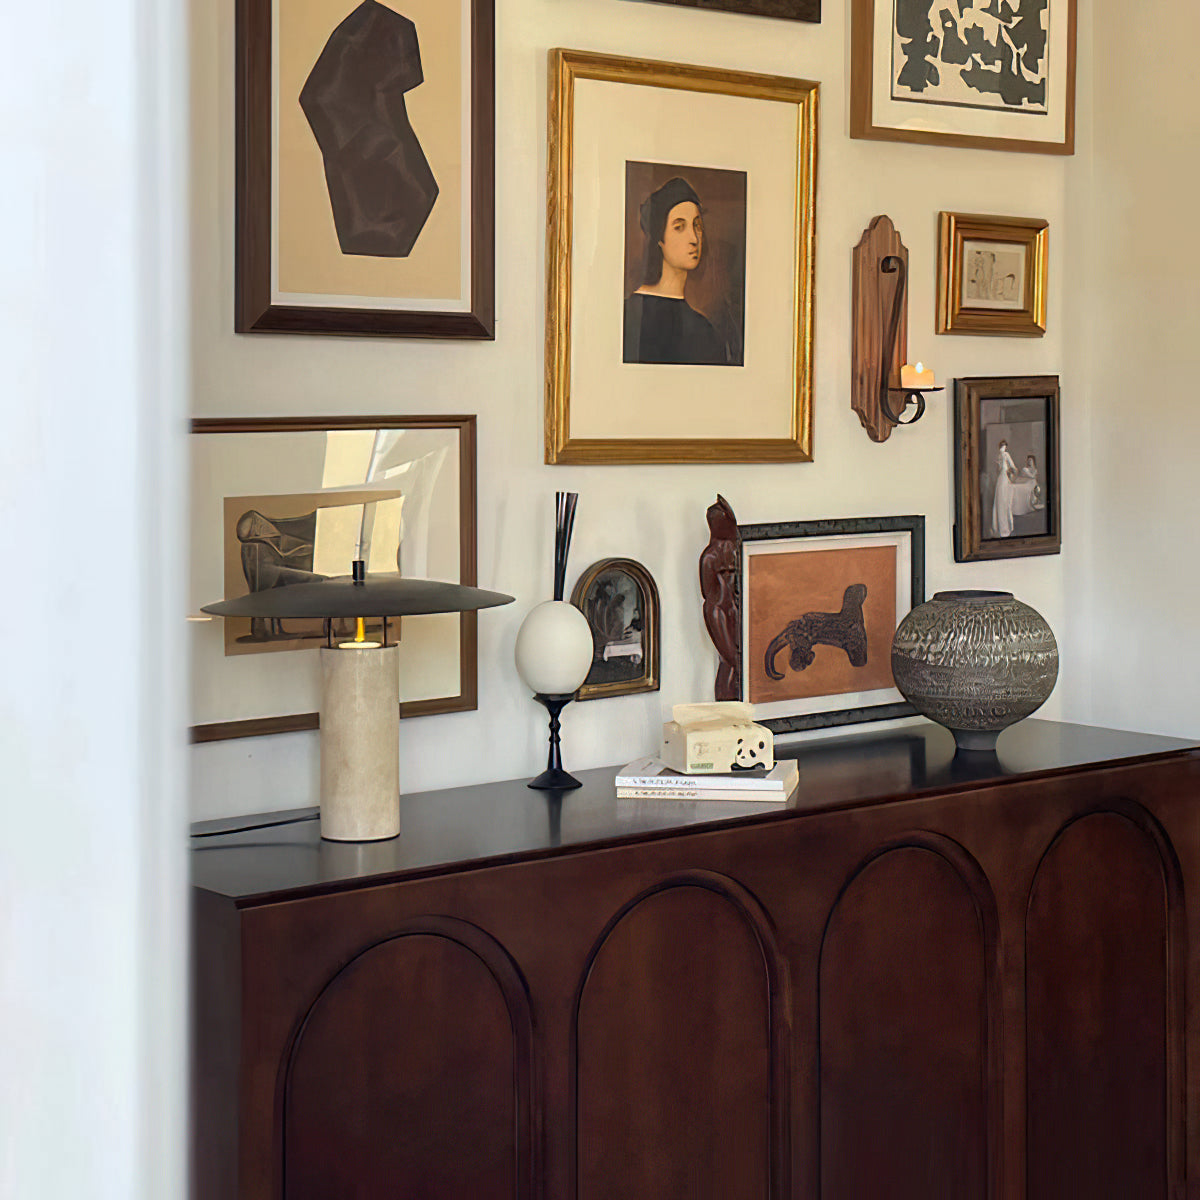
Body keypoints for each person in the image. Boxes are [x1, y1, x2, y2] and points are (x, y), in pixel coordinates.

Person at [623, 177, 727, 365]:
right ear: (659, 238)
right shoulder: (628, 317)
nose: (694, 239)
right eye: (679, 227)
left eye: (697, 226)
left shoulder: (706, 332)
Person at [991, 439, 1018, 537]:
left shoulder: (1004, 455)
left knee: (1003, 501)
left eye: (1004, 446)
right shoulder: (1001, 455)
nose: (1002, 448)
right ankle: (1001, 528)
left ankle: (1003, 528)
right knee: (1000, 501)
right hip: (1001, 479)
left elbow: (1012, 468)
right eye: (1001, 446)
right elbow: (1000, 469)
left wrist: (1010, 473)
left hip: (1003, 479)